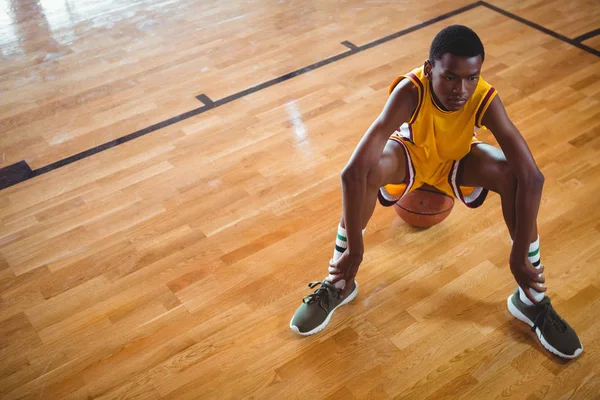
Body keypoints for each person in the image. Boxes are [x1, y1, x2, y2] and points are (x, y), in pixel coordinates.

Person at [289, 25, 583, 359]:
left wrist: (518, 253)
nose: (462, 88)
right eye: (451, 77)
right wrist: (356, 248)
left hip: (456, 161)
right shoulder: (410, 91)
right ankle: (338, 282)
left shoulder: (483, 97)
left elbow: (534, 176)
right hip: (410, 156)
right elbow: (352, 171)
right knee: (371, 167)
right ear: (430, 69)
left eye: (471, 77)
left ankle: (531, 301)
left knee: (513, 172)